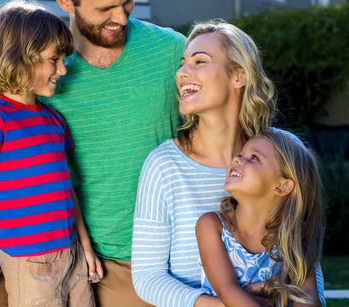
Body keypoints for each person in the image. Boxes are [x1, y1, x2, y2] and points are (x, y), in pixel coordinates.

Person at [0, 0, 185, 307]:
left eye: (127, 1)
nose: (122, 17)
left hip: (132, 261)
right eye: (105, 8)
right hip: (37, 255)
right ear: (65, 2)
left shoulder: (172, 53)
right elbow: (10, 175)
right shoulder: (38, 75)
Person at [131, 20, 326, 307]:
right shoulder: (164, 165)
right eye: (183, 63)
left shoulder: (276, 157)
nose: (182, 72)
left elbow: (304, 258)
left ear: (238, 76)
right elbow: (148, 278)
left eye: (199, 61)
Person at [0, 0, 102, 307]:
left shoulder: (54, 120)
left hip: (72, 255)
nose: (62, 69)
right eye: (54, 59)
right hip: (29, 263)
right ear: (21, 57)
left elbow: (65, 189)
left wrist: (85, 246)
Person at [197, 130, 324, 307]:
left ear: (282, 186)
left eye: (254, 157)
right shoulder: (211, 226)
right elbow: (227, 289)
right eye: (240, 154)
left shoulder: (291, 239)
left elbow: (308, 298)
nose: (236, 159)